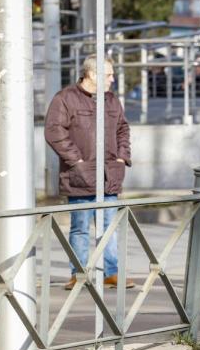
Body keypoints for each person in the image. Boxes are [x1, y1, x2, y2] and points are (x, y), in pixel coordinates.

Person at [44, 54, 135, 291]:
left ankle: (111, 273)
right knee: (80, 227)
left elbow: (123, 128)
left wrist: (122, 156)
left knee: (109, 227)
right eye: (109, 75)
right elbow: (54, 132)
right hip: (80, 176)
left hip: (109, 174)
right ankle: (79, 273)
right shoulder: (65, 99)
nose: (113, 79)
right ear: (92, 74)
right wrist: (78, 161)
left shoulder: (112, 100)